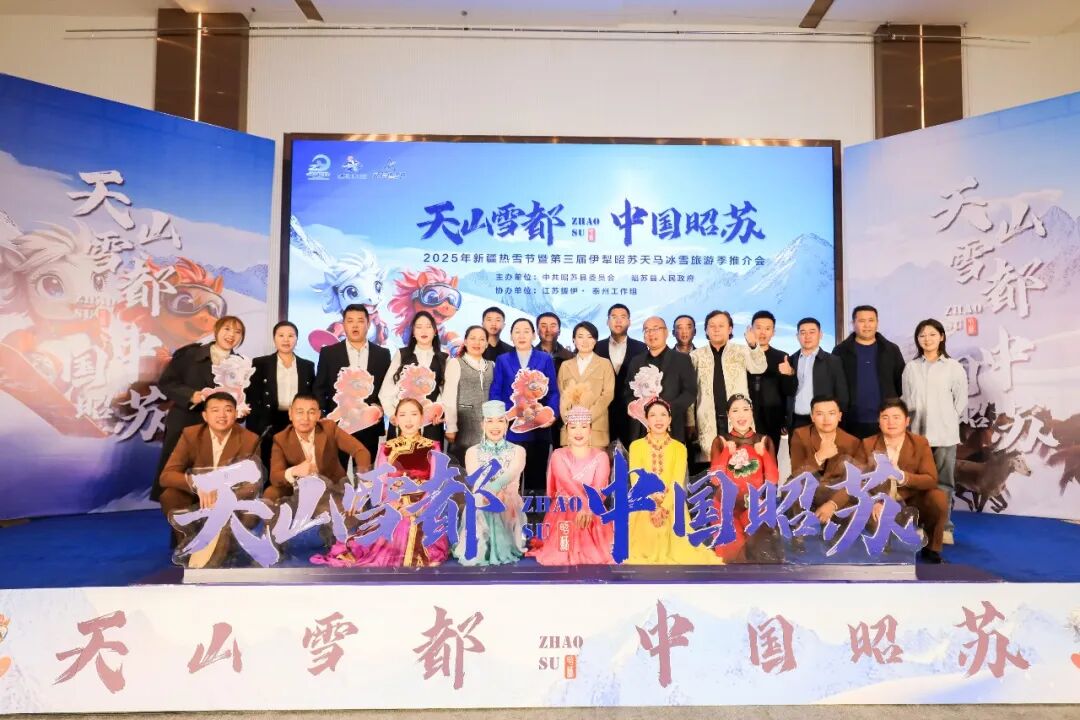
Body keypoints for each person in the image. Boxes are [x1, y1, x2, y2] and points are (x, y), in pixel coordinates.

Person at [155, 315, 246, 505]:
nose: (231, 335)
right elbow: (166, 383)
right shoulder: (190, 354)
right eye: (227, 329)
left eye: (238, 332)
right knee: (176, 479)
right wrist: (190, 395)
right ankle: (174, 511)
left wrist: (241, 408)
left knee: (212, 478)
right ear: (216, 331)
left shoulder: (241, 364)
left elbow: (241, 395)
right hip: (186, 420)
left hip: (218, 428)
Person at [351, 399, 451, 567]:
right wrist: (393, 504)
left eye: (414, 414)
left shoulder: (432, 447)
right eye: (403, 415)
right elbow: (381, 483)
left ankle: (418, 554)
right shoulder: (386, 447)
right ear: (395, 419)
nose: (408, 420)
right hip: (393, 503)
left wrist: (418, 506)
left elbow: (436, 483)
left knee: (413, 523)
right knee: (397, 522)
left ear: (422, 418)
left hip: (424, 505)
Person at [626, 399, 722, 565]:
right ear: (646, 419)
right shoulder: (636, 446)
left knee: (678, 546)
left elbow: (677, 483)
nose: (658, 419)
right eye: (653, 415)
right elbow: (636, 480)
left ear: (670, 420)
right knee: (644, 543)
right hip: (644, 504)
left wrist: (663, 507)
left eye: (663, 415)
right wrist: (653, 504)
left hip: (672, 505)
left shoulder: (679, 448)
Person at [158, 392, 261, 545]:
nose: (222, 415)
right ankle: (186, 541)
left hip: (230, 498)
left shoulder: (250, 439)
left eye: (228, 410)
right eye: (215, 410)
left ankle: (226, 544)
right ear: (205, 416)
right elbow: (167, 476)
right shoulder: (191, 435)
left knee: (250, 513)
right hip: (198, 496)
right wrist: (198, 484)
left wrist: (223, 494)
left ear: (236, 414)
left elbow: (253, 484)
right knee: (170, 495)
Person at [902, 318, 968, 545]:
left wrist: (946, 418)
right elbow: (907, 400)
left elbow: (960, 402)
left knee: (944, 483)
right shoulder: (911, 368)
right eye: (922, 335)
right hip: (917, 436)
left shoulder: (953, 367)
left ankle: (944, 528)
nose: (927, 339)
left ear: (941, 337)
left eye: (932, 334)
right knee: (918, 484)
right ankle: (920, 526)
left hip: (945, 435)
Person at [861, 398, 949, 563]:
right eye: (885, 417)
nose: (891, 422)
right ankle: (883, 544)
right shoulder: (867, 444)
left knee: (938, 498)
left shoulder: (920, 443)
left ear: (907, 421)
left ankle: (932, 549)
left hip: (912, 500)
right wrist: (874, 501)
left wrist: (902, 476)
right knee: (881, 551)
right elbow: (860, 481)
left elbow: (931, 479)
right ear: (879, 421)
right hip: (881, 503)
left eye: (896, 417)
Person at [529, 405, 614, 566]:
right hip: (564, 509)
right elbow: (567, 483)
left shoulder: (601, 456)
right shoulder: (558, 455)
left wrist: (588, 508)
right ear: (567, 431)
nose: (578, 432)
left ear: (590, 430)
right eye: (573, 427)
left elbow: (599, 486)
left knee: (600, 555)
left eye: (583, 427)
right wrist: (583, 506)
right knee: (561, 551)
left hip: (593, 509)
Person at [490, 318, 559, 499]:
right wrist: (501, 417)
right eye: (517, 331)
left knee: (536, 474)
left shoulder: (544, 358)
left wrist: (552, 413)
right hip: (511, 426)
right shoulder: (503, 360)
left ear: (534, 335)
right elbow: (496, 391)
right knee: (511, 474)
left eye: (526, 331)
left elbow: (553, 391)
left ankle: (534, 512)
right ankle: (510, 510)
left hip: (539, 427)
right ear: (511, 336)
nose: (521, 335)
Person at [313, 303, 392, 461]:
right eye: (350, 321)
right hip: (337, 425)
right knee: (336, 471)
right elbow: (319, 387)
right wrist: (323, 416)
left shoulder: (382, 354)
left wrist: (380, 407)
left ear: (368, 324)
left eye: (360, 321)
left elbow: (387, 388)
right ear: (343, 324)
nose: (355, 325)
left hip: (369, 425)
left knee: (365, 470)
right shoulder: (329, 353)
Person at [709, 394, 781, 563]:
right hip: (726, 507)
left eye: (745, 409)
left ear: (752, 412)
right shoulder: (721, 441)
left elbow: (772, 480)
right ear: (728, 415)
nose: (741, 415)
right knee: (733, 556)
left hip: (754, 505)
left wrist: (764, 454)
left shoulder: (764, 440)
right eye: (735, 411)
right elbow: (715, 480)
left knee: (763, 554)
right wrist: (726, 453)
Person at [453, 400, 526, 566]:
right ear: (482, 425)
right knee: (479, 501)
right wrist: (490, 494)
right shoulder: (472, 452)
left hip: (508, 501)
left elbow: (511, 473)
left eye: (500, 421)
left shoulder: (518, 451)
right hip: (482, 499)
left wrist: (497, 491)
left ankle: (506, 544)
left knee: (504, 502)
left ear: (506, 424)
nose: (495, 426)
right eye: (490, 421)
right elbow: (476, 478)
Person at [264, 394, 372, 503]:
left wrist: (362, 483)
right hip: (299, 490)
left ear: (318, 415)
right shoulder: (281, 439)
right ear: (290, 414)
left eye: (311, 412)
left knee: (349, 507)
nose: (305, 418)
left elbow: (361, 451)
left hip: (332, 488)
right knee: (270, 493)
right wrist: (295, 471)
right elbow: (275, 477)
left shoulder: (329, 428)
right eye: (300, 412)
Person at [689, 310, 766, 462]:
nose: (716, 329)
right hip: (708, 419)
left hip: (738, 418)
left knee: (741, 463)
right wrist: (690, 421)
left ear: (730, 329)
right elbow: (691, 391)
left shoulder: (741, 351)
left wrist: (753, 345)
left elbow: (759, 368)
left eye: (721, 325)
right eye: (712, 326)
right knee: (712, 463)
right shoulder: (696, 356)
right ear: (706, 330)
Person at [246, 321, 315, 469]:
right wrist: (257, 426)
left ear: (296, 339)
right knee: (269, 463)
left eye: (291, 336)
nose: (286, 340)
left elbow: (311, 396)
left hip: (297, 420)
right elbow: (252, 396)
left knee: (297, 462)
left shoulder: (307, 366)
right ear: (274, 339)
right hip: (269, 421)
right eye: (281, 335)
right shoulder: (260, 363)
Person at [788, 395, 868, 523]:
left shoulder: (852, 442)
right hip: (808, 489)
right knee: (792, 486)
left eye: (831, 413)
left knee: (858, 511)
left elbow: (854, 481)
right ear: (812, 417)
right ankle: (801, 526)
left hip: (834, 492)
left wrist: (833, 504)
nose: (826, 419)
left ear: (839, 416)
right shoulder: (800, 435)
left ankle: (830, 516)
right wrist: (819, 456)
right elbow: (797, 473)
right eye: (820, 414)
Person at [833, 305, 906, 439]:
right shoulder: (840, 351)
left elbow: (900, 383)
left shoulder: (891, 350)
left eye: (871, 320)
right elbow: (835, 384)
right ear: (853, 323)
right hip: (851, 421)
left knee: (883, 454)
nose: (867, 325)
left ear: (877, 322)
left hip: (885, 421)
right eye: (861, 321)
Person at [622, 316, 697, 445]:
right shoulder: (636, 361)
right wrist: (634, 407)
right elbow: (628, 392)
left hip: (672, 426)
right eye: (647, 330)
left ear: (666, 332)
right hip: (641, 428)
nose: (651, 333)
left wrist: (665, 410)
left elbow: (690, 392)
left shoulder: (682, 359)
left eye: (656, 329)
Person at [379, 310, 447, 443]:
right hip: (402, 423)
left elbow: (446, 394)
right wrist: (392, 414)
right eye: (419, 327)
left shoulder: (444, 358)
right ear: (413, 332)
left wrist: (439, 411)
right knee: (399, 456)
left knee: (429, 456)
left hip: (431, 424)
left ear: (435, 331)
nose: (424, 331)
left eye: (428, 327)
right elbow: (386, 390)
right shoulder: (402, 354)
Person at [557, 321, 615, 449]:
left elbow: (608, 395)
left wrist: (587, 417)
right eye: (580, 336)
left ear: (595, 340)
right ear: (574, 340)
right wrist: (568, 418)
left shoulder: (604, 364)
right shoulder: (565, 366)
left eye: (589, 337)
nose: (585, 341)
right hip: (570, 431)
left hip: (596, 430)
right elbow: (561, 395)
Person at [596, 303, 646, 449]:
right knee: (603, 458)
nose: (618, 321)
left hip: (631, 417)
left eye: (623, 317)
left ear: (629, 322)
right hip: (603, 415)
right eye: (614, 317)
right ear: (607, 321)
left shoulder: (641, 348)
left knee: (633, 457)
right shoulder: (597, 347)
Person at [443, 325, 495, 465]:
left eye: (482, 339)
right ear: (465, 342)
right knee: (461, 468)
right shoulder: (456, 363)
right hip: (463, 427)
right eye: (473, 338)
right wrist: (451, 426)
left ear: (487, 343)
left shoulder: (492, 365)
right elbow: (449, 397)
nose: (477, 343)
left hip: (487, 429)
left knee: (484, 468)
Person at [747, 310, 797, 452]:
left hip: (773, 419)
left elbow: (789, 391)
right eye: (758, 328)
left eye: (767, 328)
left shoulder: (782, 357)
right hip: (745, 418)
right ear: (750, 330)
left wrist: (789, 374)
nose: (763, 332)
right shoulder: (742, 354)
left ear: (773, 332)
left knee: (769, 459)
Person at [788, 317, 847, 430]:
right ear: (797, 336)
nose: (807, 336)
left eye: (812, 332)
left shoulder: (833, 361)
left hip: (824, 421)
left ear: (820, 335)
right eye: (803, 333)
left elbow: (842, 394)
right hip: (796, 420)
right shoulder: (790, 361)